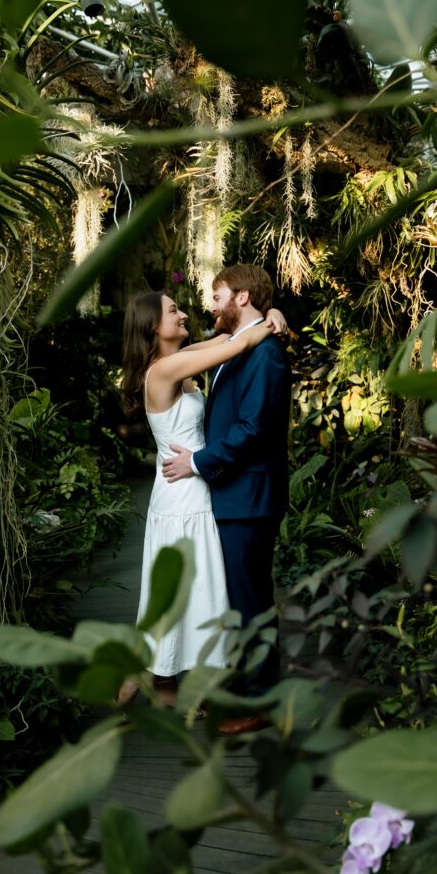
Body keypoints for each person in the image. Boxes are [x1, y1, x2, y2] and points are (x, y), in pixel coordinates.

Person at [119, 289, 285, 707]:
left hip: (194, 485)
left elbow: (235, 335)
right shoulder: (165, 370)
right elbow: (243, 341)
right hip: (182, 493)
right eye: (172, 310)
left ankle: (165, 679)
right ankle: (145, 670)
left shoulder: (184, 356)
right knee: (190, 586)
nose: (182, 313)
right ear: (152, 326)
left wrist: (272, 313)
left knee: (191, 587)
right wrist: (271, 320)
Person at [162, 264, 291, 734]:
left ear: (240, 297)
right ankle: (247, 688)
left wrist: (197, 461)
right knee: (239, 597)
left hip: (250, 495)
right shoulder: (240, 345)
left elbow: (253, 429)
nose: (209, 306)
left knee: (250, 598)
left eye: (216, 297)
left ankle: (262, 702)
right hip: (234, 495)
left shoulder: (267, 354)